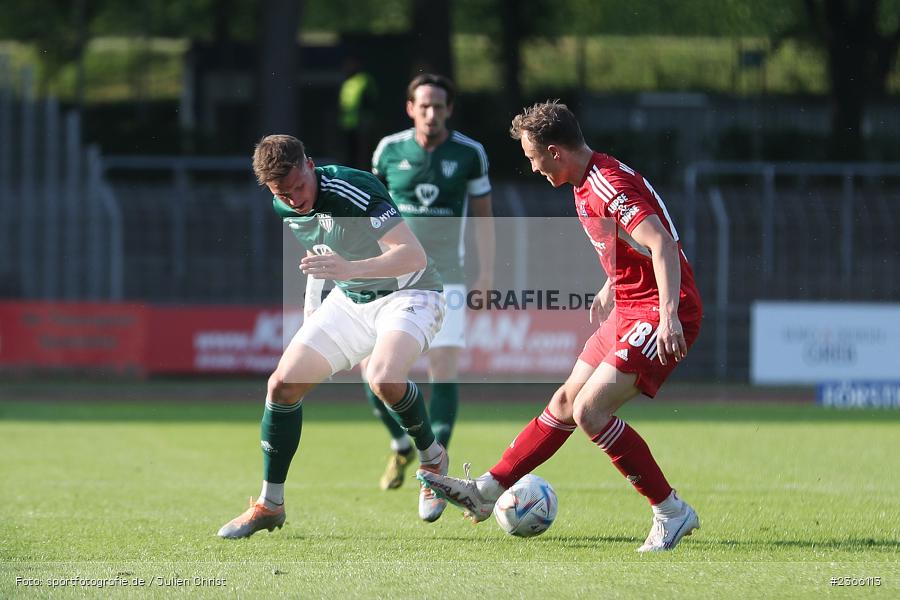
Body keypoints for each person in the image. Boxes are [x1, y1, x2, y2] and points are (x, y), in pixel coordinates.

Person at [418, 101, 704, 553]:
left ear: (555, 151)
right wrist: (613, 281)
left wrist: (668, 314)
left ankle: (670, 511)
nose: (532, 167)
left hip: (660, 309)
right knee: (566, 401)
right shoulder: (585, 179)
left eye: (533, 157)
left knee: (591, 411)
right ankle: (486, 492)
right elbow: (632, 241)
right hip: (631, 305)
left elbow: (663, 244)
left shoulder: (607, 185)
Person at [218, 134, 448, 539]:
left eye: (298, 188)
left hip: (410, 292)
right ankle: (270, 504)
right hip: (350, 300)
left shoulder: (353, 189)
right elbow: (319, 254)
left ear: (309, 163)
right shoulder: (282, 204)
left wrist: (348, 270)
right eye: (281, 194)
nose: (293, 199)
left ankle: (432, 460)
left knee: (383, 377)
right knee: (282, 385)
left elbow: (413, 256)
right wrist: (313, 312)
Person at [363, 73, 494, 521]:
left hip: (447, 277)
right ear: (410, 108)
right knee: (371, 374)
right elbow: (367, 212)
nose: (431, 113)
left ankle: (435, 470)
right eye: (424, 106)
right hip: (391, 277)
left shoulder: (469, 154)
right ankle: (402, 443)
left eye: (439, 106)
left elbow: (483, 221)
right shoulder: (388, 150)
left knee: (443, 367)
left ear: (449, 109)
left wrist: (487, 274)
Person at [338, 55, 379, 169]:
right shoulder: (347, 82)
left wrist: (365, 119)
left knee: (363, 154)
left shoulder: (364, 79)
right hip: (348, 125)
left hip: (362, 124)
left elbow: (371, 100)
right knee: (349, 155)